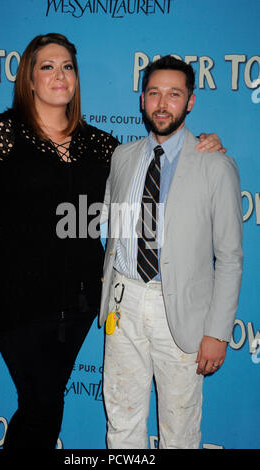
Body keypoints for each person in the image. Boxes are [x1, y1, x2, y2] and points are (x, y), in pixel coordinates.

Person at [0, 32, 224, 449]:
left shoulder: (102, 146)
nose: (59, 75)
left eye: (67, 66)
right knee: (41, 404)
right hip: (19, 300)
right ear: (28, 79)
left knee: (45, 408)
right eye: (47, 66)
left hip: (81, 300)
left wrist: (203, 145)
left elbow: (153, 168)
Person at [100, 55, 243, 449]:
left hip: (180, 312)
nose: (163, 104)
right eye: (154, 93)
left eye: (174, 95)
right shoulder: (122, 157)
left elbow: (230, 257)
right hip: (123, 302)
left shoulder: (215, 164)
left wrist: (217, 332)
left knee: (180, 431)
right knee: (122, 419)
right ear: (142, 100)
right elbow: (111, 231)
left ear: (190, 102)